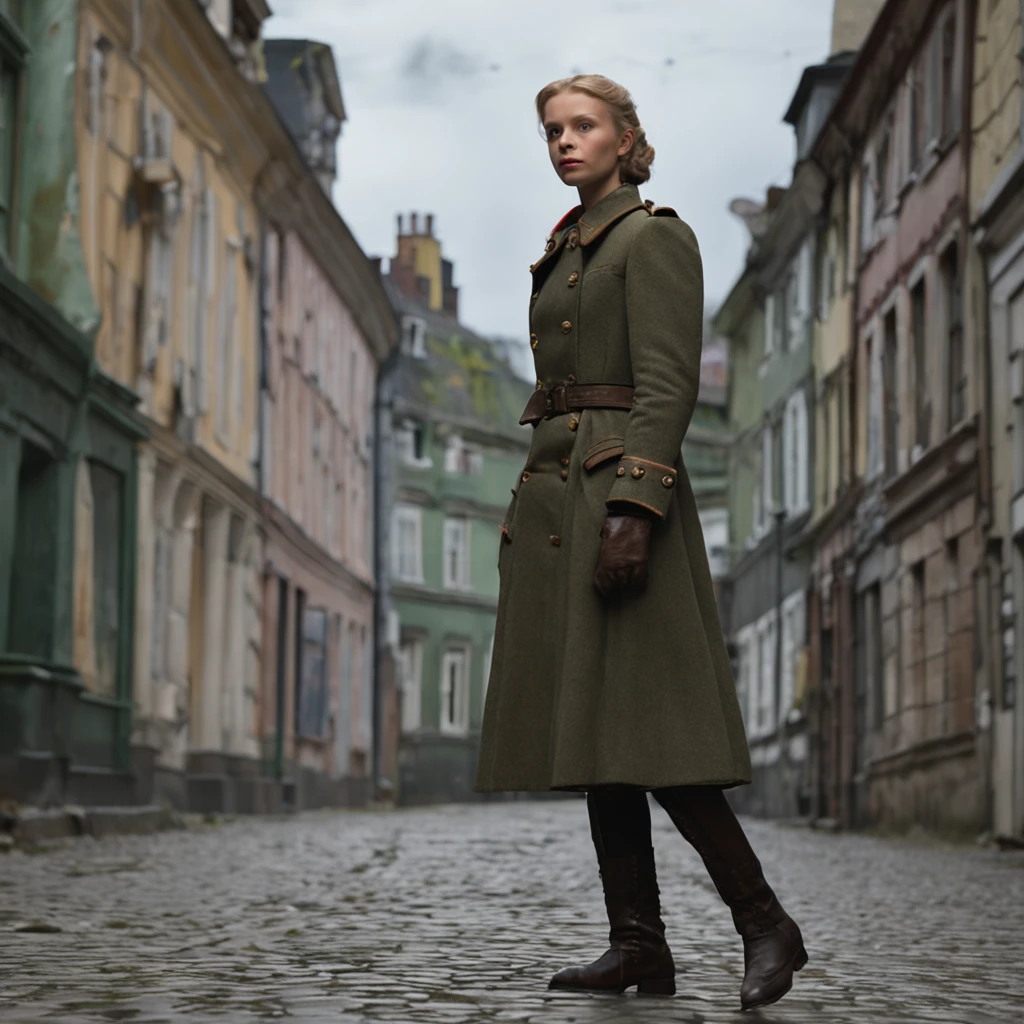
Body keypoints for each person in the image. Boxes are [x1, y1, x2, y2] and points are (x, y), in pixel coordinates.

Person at [474, 74, 806, 1012]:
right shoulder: (568, 246)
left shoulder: (652, 236)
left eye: (583, 127)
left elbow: (666, 386)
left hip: (617, 505)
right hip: (556, 509)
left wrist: (635, 507)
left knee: (654, 738)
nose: (565, 143)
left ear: (626, 136)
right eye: (552, 131)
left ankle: (765, 922)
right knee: (596, 734)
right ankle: (638, 948)